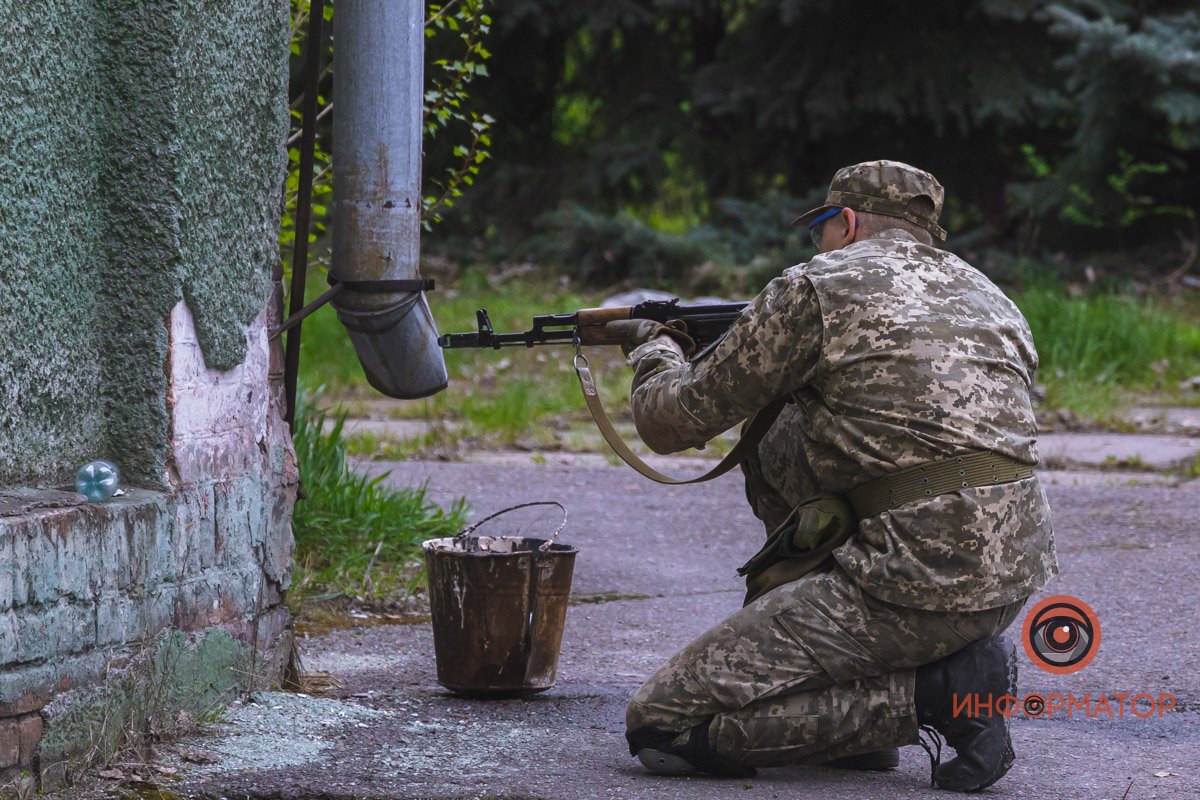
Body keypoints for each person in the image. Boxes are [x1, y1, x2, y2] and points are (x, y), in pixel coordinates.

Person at [603, 160, 1057, 792]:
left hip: (908, 585)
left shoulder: (816, 287)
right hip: (1009, 575)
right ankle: (865, 731)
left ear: (845, 222)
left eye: (819, 226)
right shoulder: (991, 297)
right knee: (788, 428)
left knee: (660, 726)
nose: (816, 242)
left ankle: (939, 694)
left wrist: (653, 346)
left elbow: (669, 423)